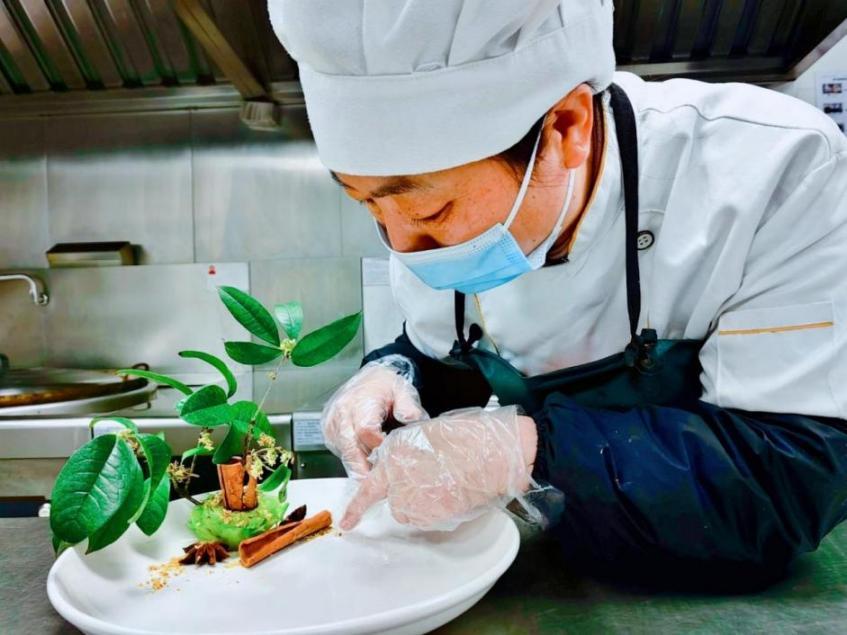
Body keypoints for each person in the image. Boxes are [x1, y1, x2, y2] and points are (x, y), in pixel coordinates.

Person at [269, 0, 847, 573]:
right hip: (547, 570)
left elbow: (793, 475)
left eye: (431, 211)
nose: (403, 246)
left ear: (568, 127)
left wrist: (524, 452)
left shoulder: (778, 169)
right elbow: (451, 358)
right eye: (370, 206)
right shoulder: (421, 230)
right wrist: (395, 376)